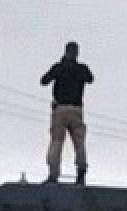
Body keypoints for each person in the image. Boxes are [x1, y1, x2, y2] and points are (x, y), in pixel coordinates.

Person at [40, 41, 93, 185]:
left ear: (65, 51)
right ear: (77, 53)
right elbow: (90, 79)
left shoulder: (59, 67)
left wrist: (59, 70)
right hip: (76, 110)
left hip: (60, 109)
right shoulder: (82, 68)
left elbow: (43, 81)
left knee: (57, 142)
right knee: (79, 143)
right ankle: (81, 174)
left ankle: (53, 175)